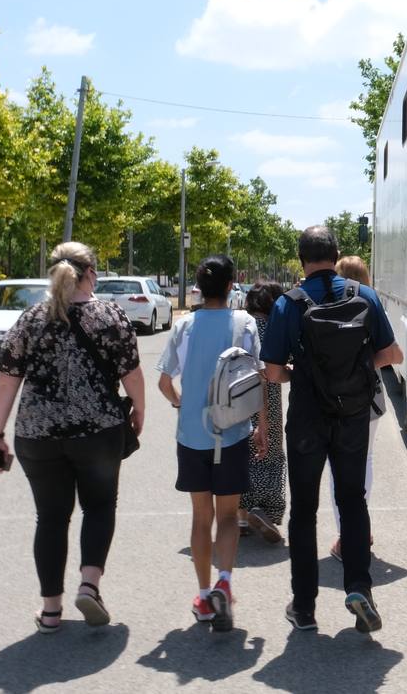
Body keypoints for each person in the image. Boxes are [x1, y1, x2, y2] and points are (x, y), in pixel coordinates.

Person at [0, 242, 145, 633]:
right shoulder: (109, 316)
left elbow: (7, 379)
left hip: (37, 435)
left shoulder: (31, 319)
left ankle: (51, 611)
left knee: (51, 518)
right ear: (91, 274)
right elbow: (131, 373)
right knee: (99, 506)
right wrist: (140, 408)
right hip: (98, 432)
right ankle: (89, 585)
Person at [263, 227, 402, 633]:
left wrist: (298, 373)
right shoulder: (364, 295)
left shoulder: (289, 304)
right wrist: (358, 369)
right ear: (337, 253)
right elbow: (392, 353)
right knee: (352, 500)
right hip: (354, 415)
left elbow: (272, 371)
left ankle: (304, 607)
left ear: (300, 259)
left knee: (304, 512)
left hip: (307, 419)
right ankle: (360, 588)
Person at [157, 254, 263, 631]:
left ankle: (203, 596)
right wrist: (261, 427)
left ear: (199, 288)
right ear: (233, 285)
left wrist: (181, 404)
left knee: (201, 518)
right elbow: (256, 377)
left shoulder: (183, 326)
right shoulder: (244, 322)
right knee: (228, 517)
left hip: (192, 435)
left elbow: (164, 381)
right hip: (232, 432)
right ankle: (225, 581)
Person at [331, 255, 382, 561]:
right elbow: (392, 353)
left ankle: (348, 537)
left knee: (338, 468)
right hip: (371, 395)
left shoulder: (331, 307)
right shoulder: (373, 306)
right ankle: (361, 528)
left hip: (339, 396)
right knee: (365, 462)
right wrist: (363, 365)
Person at [240, 281, 286, 544]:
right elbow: (270, 371)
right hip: (268, 396)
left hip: (239, 398)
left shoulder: (241, 325)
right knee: (269, 452)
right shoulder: (271, 327)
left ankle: (241, 518)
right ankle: (265, 511)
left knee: (244, 453)